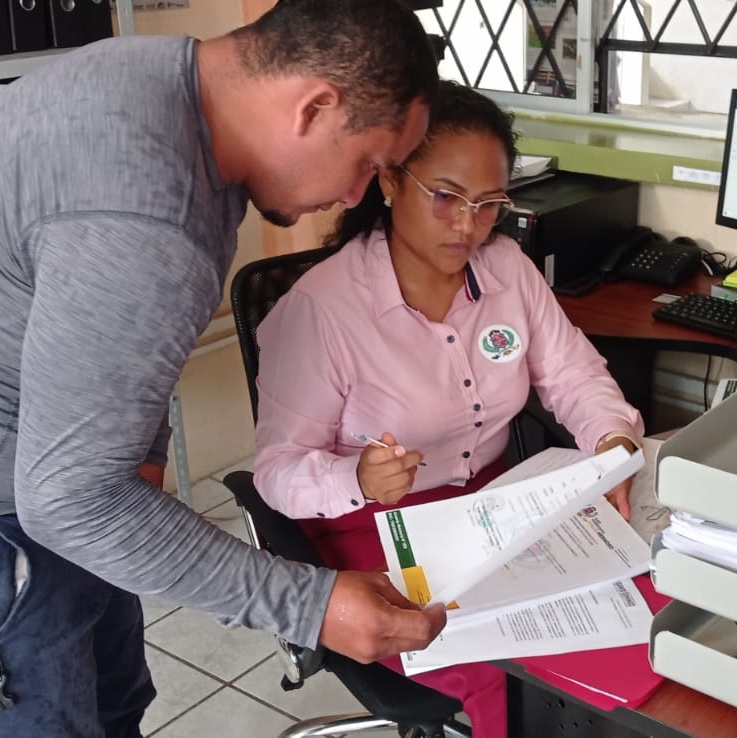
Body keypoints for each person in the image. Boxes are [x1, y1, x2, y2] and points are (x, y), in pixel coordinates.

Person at [0, 2, 447, 736]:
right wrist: (311, 607)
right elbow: (73, 501)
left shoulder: (164, 84)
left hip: (28, 482)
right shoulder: (149, 210)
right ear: (314, 107)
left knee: (113, 712)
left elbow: (117, 355)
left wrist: (139, 462)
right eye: (370, 164)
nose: (357, 196)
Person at [252, 80, 646, 738]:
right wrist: (356, 477)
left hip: (494, 511)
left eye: (489, 204)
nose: (469, 225)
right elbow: (276, 472)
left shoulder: (506, 269)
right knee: (512, 675)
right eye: (446, 197)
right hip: (373, 533)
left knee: (620, 616)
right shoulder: (322, 310)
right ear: (389, 180)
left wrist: (611, 440)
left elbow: (574, 374)